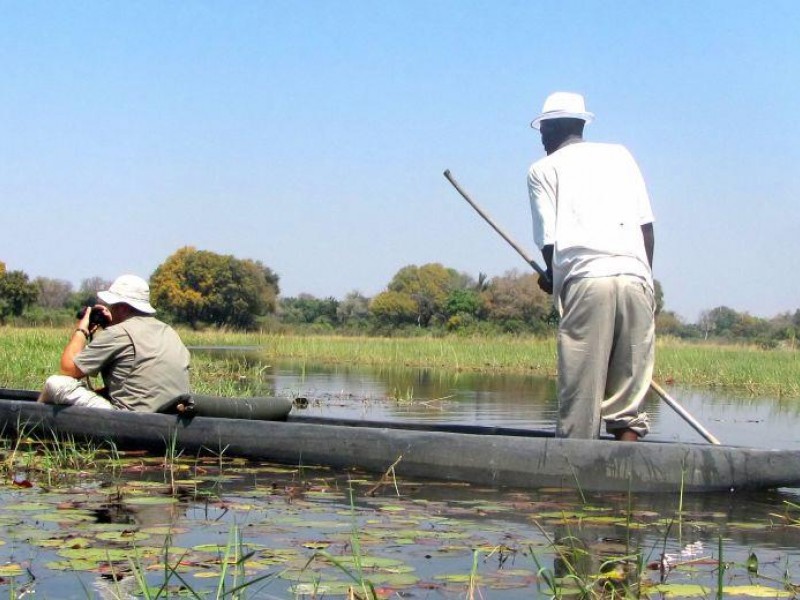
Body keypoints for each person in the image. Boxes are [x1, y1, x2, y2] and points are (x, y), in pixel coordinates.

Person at [527, 92, 655, 441]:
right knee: (628, 400)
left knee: (580, 398)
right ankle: (624, 479)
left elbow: (549, 243)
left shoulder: (542, 170)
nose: (540, 138)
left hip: (587, 281)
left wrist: (552, 279)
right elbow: (646, 228)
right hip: (637, 279)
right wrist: (647, 283)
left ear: (552, 128)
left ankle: (573, 480)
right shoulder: (621, 155)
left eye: (542, 129)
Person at [39, 274, 190, 412]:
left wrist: (82, 330)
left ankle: (29, 430)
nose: (110, 309)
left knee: (55, 383)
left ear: (123, 308)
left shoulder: (118, 333)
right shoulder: (169, 332)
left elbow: (68, 369)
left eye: (113, 305)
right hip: (170, 415)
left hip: (129, 421)